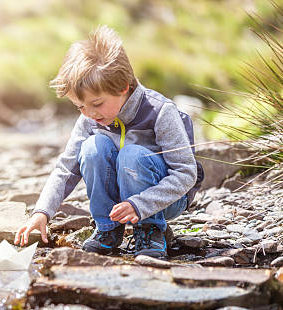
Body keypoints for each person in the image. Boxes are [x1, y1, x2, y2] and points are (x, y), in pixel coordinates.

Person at [14, 25, 203, 258]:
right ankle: (108, 229)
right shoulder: (90, 118)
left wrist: (141, 205)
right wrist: (42, 212)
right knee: (93, 148)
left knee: (133, 155)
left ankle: (150, 229)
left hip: (166, 198)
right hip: (121, 200)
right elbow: (65, 169)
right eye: (80, 106)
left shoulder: (160, 112)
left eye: (96, 103)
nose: (89, 113)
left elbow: (186, 173)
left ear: (123, 87)